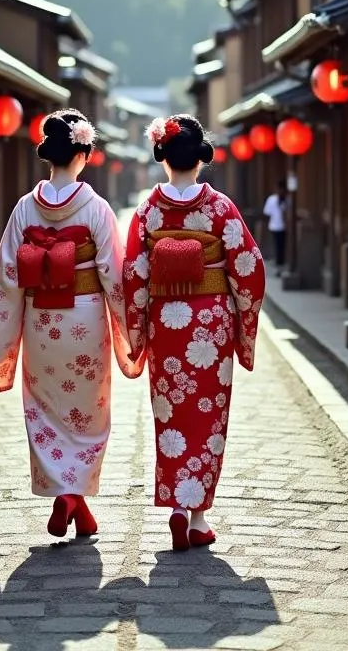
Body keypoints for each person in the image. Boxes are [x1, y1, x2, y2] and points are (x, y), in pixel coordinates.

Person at [0, 109, 144, 540]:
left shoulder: (25, 208)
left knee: (43, 408)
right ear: (83, 153)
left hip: (42, 322)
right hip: (86, 321)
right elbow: (114, 275)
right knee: (88, 413)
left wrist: (5, 333)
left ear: (49, 156)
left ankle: (68, 496)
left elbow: (7, 276)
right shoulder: (95, 207)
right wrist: (131, 328)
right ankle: (73, 497)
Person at [123, 115, 266, 552]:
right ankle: (198, 514)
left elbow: (134, 273)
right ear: (201, 157)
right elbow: (249, 268)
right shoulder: (219, 207)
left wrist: (138, 332)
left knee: (172, 417)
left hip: (168, 322)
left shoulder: (149, 210)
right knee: (207, 416)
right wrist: (244, 324)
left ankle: (177, 509)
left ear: (161, 156)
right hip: (210, 323)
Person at [263, 181, 289, 273]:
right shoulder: (272, 199)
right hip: (275, 226)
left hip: (285, 227)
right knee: (278, 246)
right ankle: (279, 266)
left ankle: (281, 265)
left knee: (282, 247)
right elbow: (267, 213)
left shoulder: (287, 200)